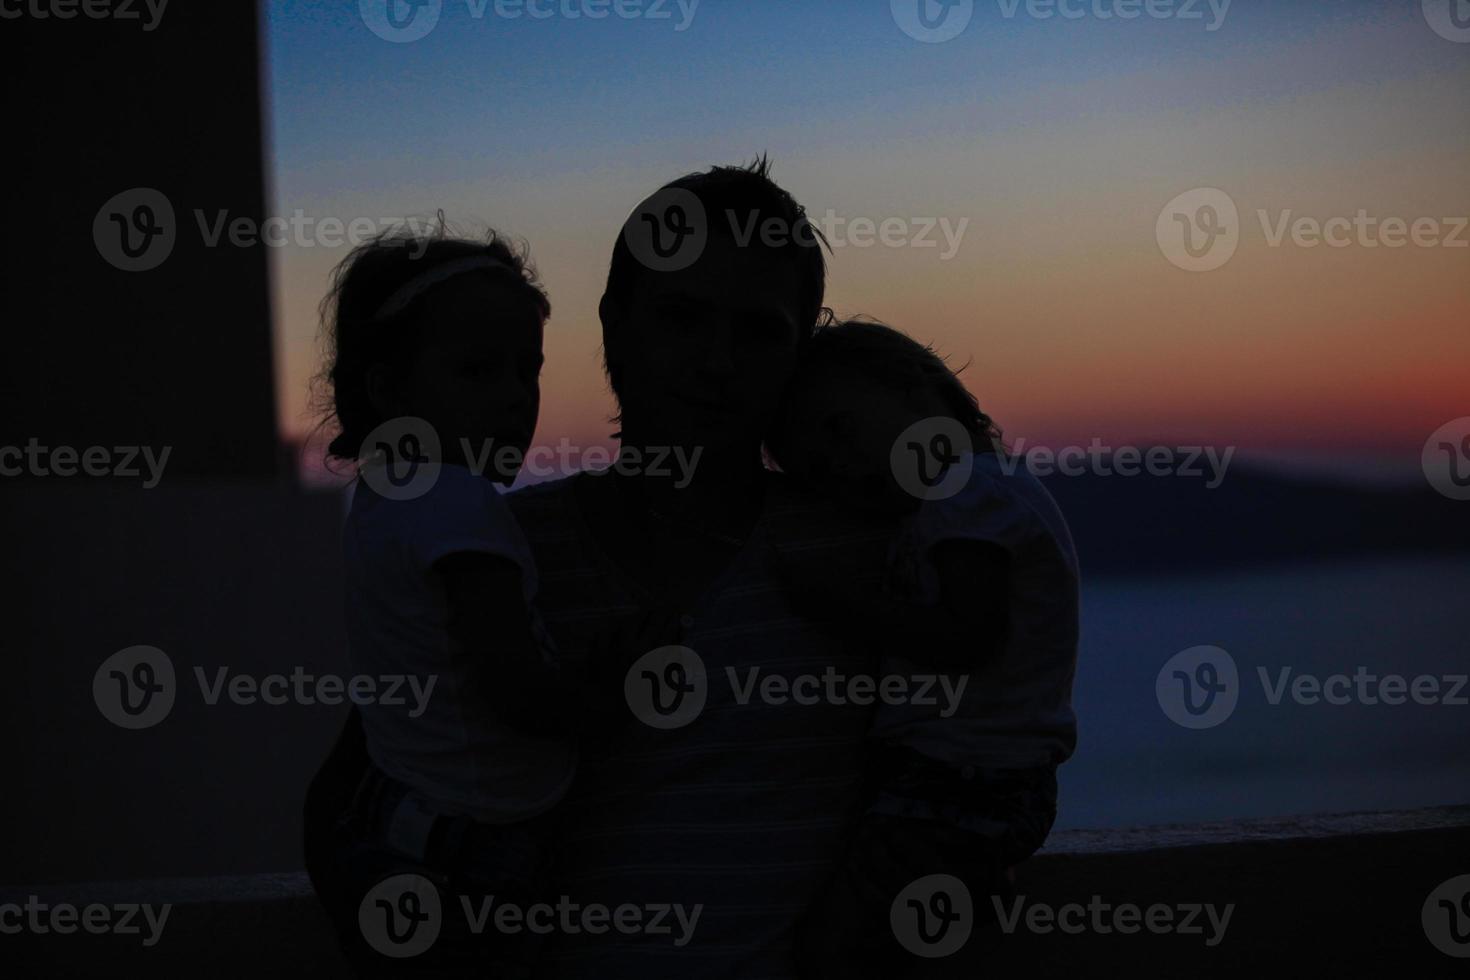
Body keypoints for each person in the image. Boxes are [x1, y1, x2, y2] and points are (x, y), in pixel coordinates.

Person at [310, 225, 615, 976]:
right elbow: (515, 691)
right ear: (390, 389)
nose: (517, 398)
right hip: (480, 846)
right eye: (480, 371)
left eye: (527, 371)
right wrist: (614, 689)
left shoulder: (384, 502)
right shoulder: (459, 505)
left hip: (400, 815)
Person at [767, 317, 1079, 977]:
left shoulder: (967, 490)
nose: (844, 469)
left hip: (962, 783)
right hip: (985, 787)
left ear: (915, 387)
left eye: (841, 432)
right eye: (821, 472)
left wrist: (837, 602)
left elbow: (964, 636)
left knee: (834, 948)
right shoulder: (984, 488)